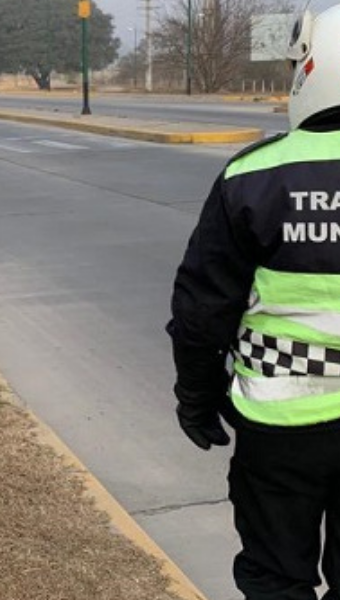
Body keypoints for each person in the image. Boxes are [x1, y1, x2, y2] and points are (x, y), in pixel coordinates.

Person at [168, 5, 340, 599]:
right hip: (282, 426)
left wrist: (197, 398)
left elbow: (201, 310)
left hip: (281, 426)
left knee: (275, 577)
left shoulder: (253, 175)